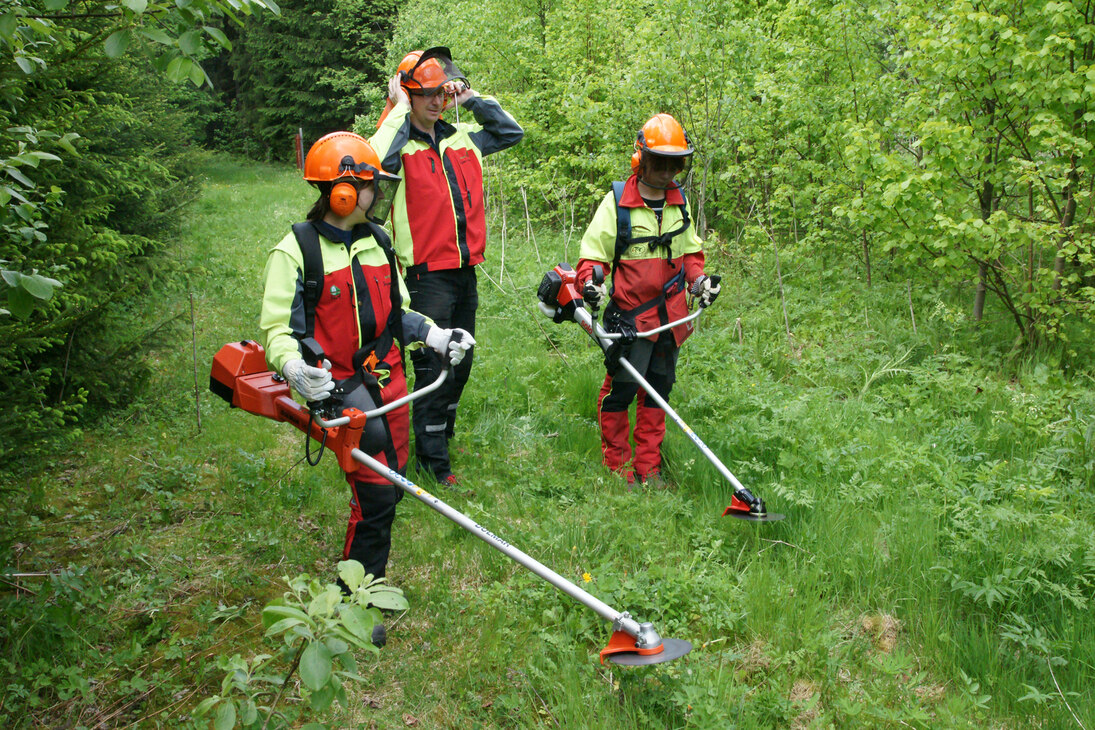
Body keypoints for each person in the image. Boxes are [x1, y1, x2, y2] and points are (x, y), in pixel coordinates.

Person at [259, 132, 474, 643]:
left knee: (392, 484)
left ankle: (365, 585)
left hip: (393, 382)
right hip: (341, 393)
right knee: (376, 497)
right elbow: (277, 332)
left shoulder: (378, 241)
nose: (380, 193)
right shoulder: (297, 250)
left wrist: (436, 334)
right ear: (343, 193)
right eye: (373, 186)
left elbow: (397, 314)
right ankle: (354, 606)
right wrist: (295, 370)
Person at [369, 48, 523, 487]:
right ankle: (434, 465)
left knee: (463, 360)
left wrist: (472, 98)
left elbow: (511, 132)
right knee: (435, 367)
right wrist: (397, 108)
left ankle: (441, 438)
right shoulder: (396, 146)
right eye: (426, 95)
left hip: (464, 270)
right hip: (424, 275)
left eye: (441, 92)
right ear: (408, 95)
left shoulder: (463, 138)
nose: (436, 102)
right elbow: (371, 163)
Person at [575, 114, 721, 488]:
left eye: (676, 163)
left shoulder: (679, 203)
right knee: (621, 390)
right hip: (631, 319)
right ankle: (618, 467)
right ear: (641, 158)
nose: (667, 171)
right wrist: (591, 282)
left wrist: (699, 282)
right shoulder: (618, 203)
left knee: (659, 391)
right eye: (659, 161)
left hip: (671, 319)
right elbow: (593, 256)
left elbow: (691, 256)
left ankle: (649, 468)